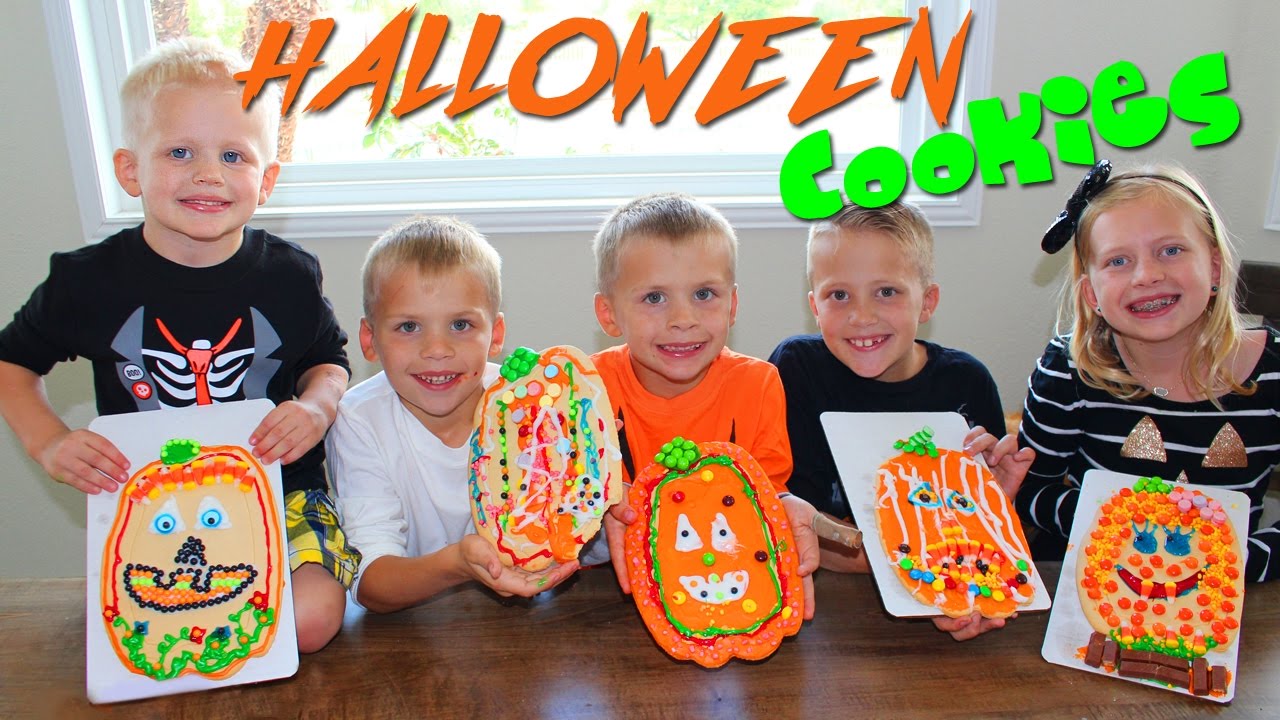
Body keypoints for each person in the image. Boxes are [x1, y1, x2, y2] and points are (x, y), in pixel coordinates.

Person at [0, 38, 357, 652]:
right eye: (180, 151)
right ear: (130, 169)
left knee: (313, 621)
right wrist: (49, 442)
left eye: (233, 155)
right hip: (148, 500)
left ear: (266, 179)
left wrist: (317, 407)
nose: (208, 173)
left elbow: (330, 362)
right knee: (141, 633)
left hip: (283, 491)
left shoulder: (290, 276)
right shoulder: (87, 282)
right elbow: (11, 363)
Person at [769, 200, 1033, 639]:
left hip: (927, 603)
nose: (862, 316)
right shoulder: (794, 370)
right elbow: (788, 523)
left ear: (927, 301)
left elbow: (980, 537)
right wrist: (916, 566)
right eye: (839, 295)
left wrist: (995, 503)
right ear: (814, 305)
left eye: (886, 292)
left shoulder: (966, 384)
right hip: (823, 612)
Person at [1017, 160, 1280, 583]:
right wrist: (1108, 528)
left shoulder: (1272, 376)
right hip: (1093, 580)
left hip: (1222, 595)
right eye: (1118, 261)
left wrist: (1245, 559)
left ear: (1214, 267)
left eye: (1170, 250)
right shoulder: (1067, 372)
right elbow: (1029, 490)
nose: (1147, 275)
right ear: (1092, 294)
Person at [327, 216, 578, 613]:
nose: (437, 349)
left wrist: (591, 475)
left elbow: (572, 535)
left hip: (518, 626)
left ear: (495, 335)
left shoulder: (529, 407)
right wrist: (458, 565)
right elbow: (371, 582)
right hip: (407, 636)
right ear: (369, 340)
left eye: (460, 324)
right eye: (409, 326)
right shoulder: (359, 422)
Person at [589, 192, 820, 618]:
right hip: (603, 595)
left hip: (727, 590)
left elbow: (768, 493)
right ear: (609, 314)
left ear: (732, 305)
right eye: (654, 298)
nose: (683, 319)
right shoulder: (589, 389)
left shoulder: (759, 384)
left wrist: (785, 508)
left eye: (704, 294)